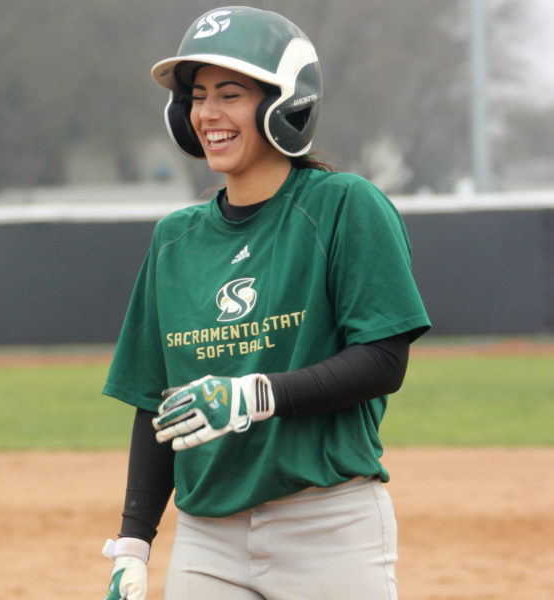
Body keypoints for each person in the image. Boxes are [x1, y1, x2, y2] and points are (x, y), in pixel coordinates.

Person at [100, 6, 431, 600]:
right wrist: (134, 543)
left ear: (286, 105)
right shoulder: (175, 238)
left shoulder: (345, 207)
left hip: (328, 527)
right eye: (197, 97)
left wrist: (252, 395)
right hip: (207, 538)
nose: (207, 114)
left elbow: (384, 360)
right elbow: (156, 403)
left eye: (231, 94)